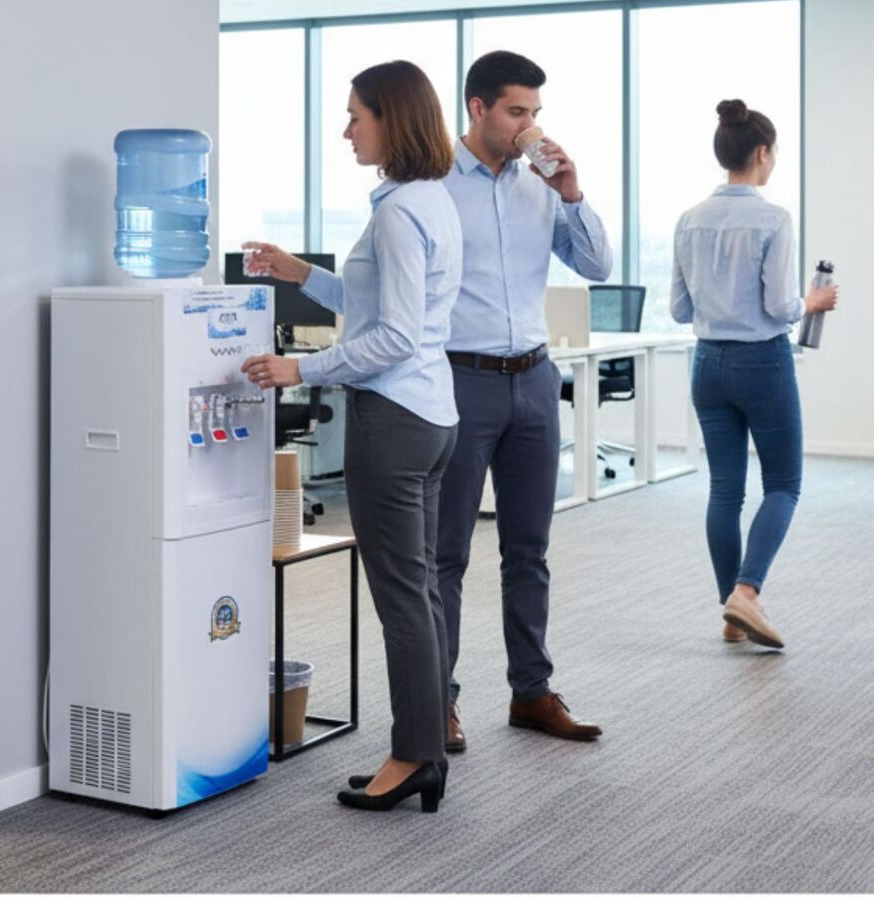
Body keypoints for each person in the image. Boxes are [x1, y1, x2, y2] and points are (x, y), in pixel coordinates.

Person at [240, 59, 461, 813]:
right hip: (434, 417)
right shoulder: (429, 201)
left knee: (402, 599)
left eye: (356, 116)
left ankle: (415, 755)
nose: (346, 130)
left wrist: (296, 368)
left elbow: (390, 337)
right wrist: (297, 270)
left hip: (394, 422)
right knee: (421, 592)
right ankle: (424, 749)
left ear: (390, 120)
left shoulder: (400, 212)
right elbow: (371, 302)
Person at [434, 50, 610, 753]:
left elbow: (598, 265)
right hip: (459, 379)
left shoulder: (541, 184)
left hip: (535, 379)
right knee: (445, 555)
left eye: (535, 112)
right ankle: (436, 702)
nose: (528, 125)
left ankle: (531, 692)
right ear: (477, 109)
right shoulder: (433, 182)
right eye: (516, 111)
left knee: (529, 551)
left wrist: (571, 191)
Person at [671, 99, 838, 649]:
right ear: (761, 153)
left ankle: (730, 611)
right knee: (785, 484)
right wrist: (811, 302)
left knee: (724, 492)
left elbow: (678, 309)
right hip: (762, 362)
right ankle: (746, 591)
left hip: (706, 364)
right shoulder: (773, 218)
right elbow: (778, 306)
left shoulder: (689, 219)